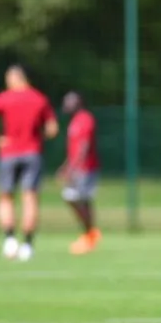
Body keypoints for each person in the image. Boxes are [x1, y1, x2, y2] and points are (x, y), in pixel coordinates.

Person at [0, 65, 58, 262]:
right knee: (29, 198)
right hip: (33, 152)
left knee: (5, 197)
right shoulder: (39, 99)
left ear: (12, 79)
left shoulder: (5, 98)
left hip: (9, 153)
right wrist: (39, 135)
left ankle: (9, 239)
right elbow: (52, 129)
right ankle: (28, 245)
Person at [58, 91, 101, 255]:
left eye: (69, 101)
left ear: (78, 102)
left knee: (74, 198)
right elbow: (73, 150)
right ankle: (89, 234)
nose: (66, 104)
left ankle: (90, 234)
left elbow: (84, 146)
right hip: (77, 168)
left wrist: (73, 168)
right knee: (78, 200)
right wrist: (65, 166)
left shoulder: (85, 119)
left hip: (85, 168)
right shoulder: (75, 121)